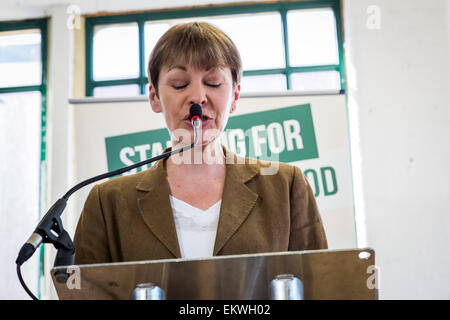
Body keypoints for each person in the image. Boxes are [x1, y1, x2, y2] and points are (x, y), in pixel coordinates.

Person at [74, 22, 327, 265]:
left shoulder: (286, 186)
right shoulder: (107, 202)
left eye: (213, 83)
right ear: (154, 97)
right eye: (179, 84)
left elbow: (319, 286)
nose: (197, 97)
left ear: (235, 96)